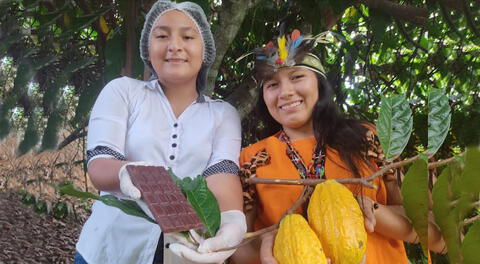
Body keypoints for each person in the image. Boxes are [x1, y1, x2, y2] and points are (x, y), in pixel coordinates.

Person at [231, 29, 446, 264]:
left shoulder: (368, 137)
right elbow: (239, 247)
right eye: (272, 84)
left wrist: (371, 210)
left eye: (297, 77)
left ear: (320, 85)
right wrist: (270, 244)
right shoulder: (251, 159)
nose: (285, 92)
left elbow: (436, 231)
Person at [74, 1, 246, 263]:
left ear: (205, 50)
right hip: (110, 249)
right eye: (162, 35)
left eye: (187, 36)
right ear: (148, 47)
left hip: (183, 251)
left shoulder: (223, 114)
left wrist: (233, 217)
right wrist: (124, 172)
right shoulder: (122, 91)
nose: (174, 46)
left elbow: (221, 172)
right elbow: (100, 161)